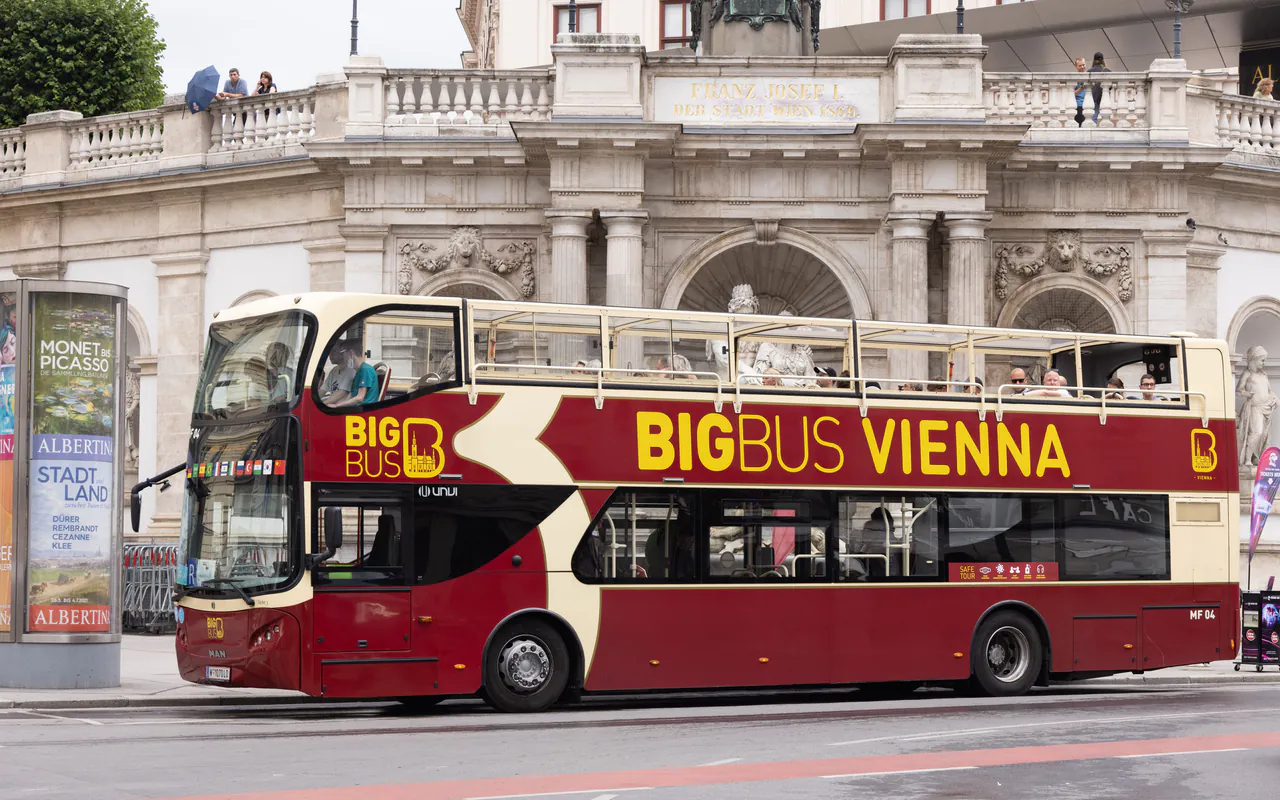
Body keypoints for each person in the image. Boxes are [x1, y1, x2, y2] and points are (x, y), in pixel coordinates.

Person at [319, 341, 355, 405]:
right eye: (330, 352)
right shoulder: (334, 370)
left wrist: (322, 404)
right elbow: (323, 390)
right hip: (332, 405)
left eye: (334, 351)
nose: (330, 355)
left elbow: (342, 393)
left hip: (342, 408)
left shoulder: (351, 371)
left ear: (342, 353)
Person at [1088, 52, 1112, 125]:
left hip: (1094, 96)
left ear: (1094, 60)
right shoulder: (1108, 71)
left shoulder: (1090, 71)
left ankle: (1092, 129)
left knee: (1093, 117)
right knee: (1106, 116)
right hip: (1105, 97)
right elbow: (1110, 87)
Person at [1072, 57, 1088, 125]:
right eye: (1080, 65)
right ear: (1076, 66)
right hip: (1079, 106)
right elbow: (1072, 94)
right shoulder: (1074, 78)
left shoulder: (1088, 76)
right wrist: (1081, 88)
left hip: (1089, 105)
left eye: (1083, 65)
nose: (1082, 67)